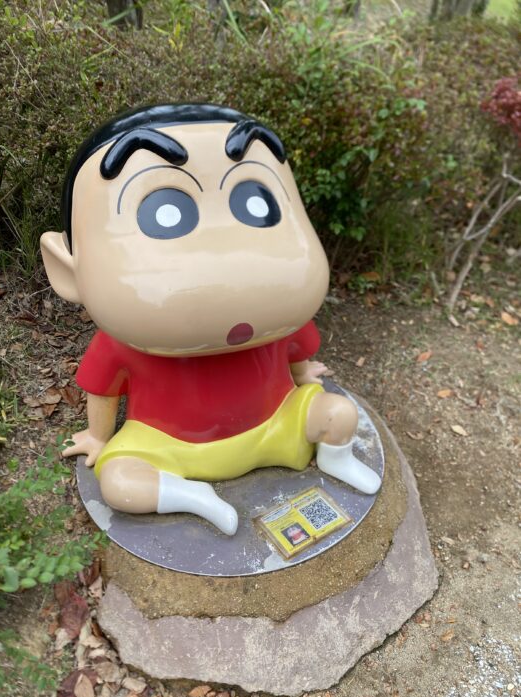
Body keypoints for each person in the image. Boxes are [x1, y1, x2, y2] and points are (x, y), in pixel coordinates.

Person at [41, 104, 381, 537]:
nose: (226, 253)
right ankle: (191, 496)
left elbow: (298, 353)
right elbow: (103, 391)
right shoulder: (122, 340)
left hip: (278, 422)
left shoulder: (279, 322)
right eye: (164, 213)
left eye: (256, 203)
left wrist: (302, 374)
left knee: (338, 414)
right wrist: (98, 436)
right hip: (167, 444)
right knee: (120, 484)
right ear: (67, 269)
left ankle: (337, 459)